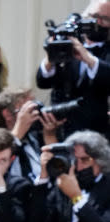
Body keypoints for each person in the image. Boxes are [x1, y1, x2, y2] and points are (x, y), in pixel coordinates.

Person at [35, 129, 110, 222]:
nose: (78, 167)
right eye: (75, 160)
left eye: (85, 160)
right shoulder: (63, 183)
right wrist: (43, 178)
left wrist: (77, 198)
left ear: (100, 161)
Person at [36, 1, 110, 138]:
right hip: (61, 129)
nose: (98, 22)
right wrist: (50, 57)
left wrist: (87, 57)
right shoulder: (68, 42)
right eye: (94, 16)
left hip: (96, 134)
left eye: (105, 19)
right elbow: (43, 81)